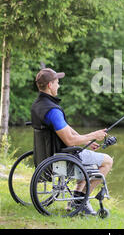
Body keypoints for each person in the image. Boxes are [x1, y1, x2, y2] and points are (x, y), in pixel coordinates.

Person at [31, 68, 113, 215]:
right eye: (57, 83)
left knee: (86, 157)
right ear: (50, 85)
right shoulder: (53, 111)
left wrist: (85, 139)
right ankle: (82, 200)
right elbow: (69, 140)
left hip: (47, 155)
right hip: (63, 158)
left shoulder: (38, 105)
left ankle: (74, 200)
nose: (59, 86)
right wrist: (94, 134)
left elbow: (66, 129)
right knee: (107, 161)